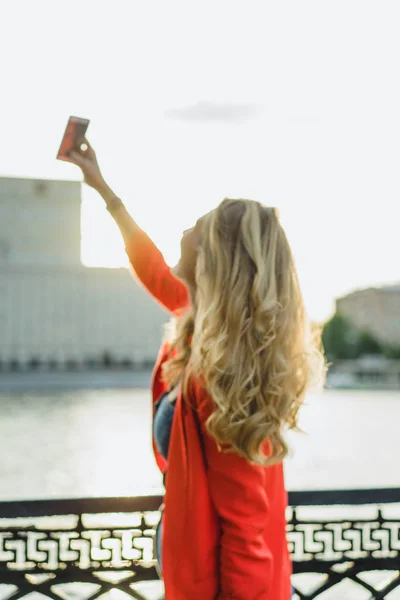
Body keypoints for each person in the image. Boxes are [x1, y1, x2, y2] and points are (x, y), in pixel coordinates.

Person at [67, 140, 327, 600]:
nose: (185, 229)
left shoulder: (224, 374)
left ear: (215, 258)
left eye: (197, 227)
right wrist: (103, 187)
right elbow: (150, 266)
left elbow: (246, 540)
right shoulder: (201, 330)